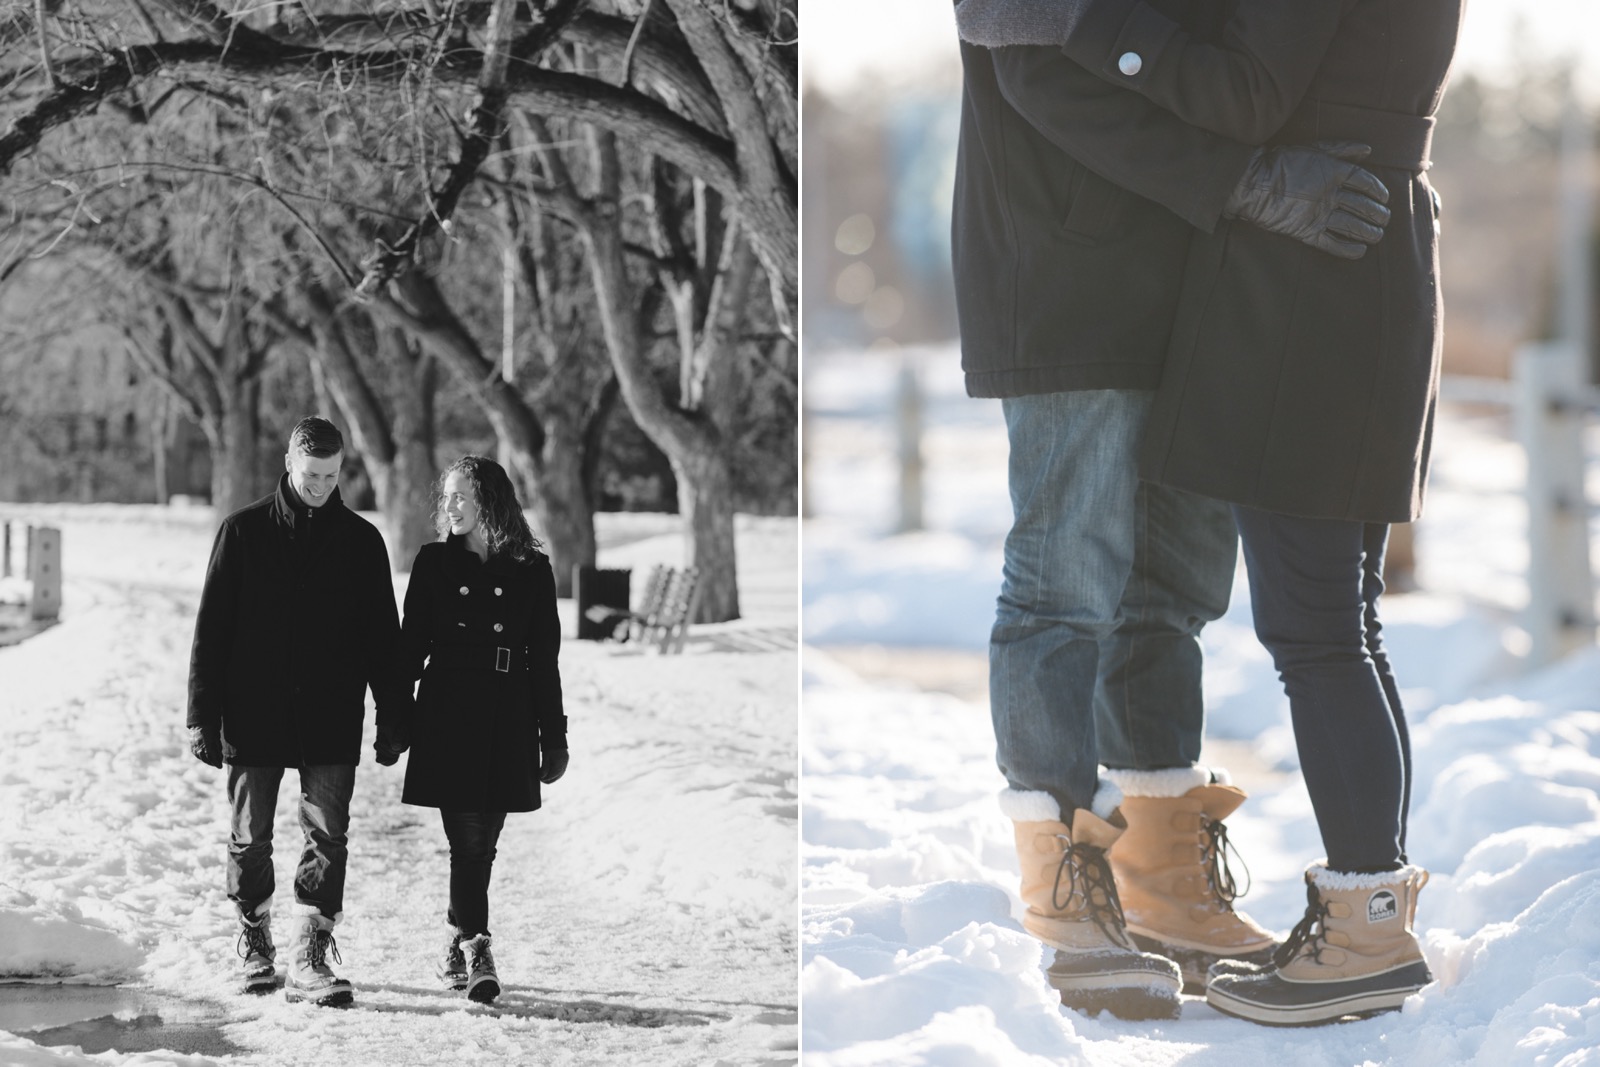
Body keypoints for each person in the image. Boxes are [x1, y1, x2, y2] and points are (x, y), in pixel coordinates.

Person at [957, 0, 1463, 1026]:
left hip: (1208, 279)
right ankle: (1067, 885)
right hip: (1074, 276)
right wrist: (1242, 181)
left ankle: (1158, 873)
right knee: (1066, 578)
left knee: (1172, 592)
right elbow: (1037, 73)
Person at [187, 416, 412, 1006]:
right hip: (253, 710)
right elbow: (212, 631)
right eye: (311, 475)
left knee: (328, 835)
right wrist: (200, 716)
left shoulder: (362, 543)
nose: (320, 487)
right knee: (248, 837)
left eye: (332, 476)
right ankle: (256, 937)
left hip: (330, 715)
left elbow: (383, 641)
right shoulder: (242, 532)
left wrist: (395, 716)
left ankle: (311, 948)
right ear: (289, 463)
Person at [387, 455, 567, 1004]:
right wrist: (394, 720)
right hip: (448, 716)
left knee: (482, 849)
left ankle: (453, 937)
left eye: (461, 496)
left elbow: (546, 659)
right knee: (466, 844)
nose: (450, 506)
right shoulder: (433, 563)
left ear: (490, 498)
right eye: (447, 498)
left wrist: (553, 736)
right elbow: (409, 648)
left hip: (509, 717)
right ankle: (478, 949)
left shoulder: (532, 569)